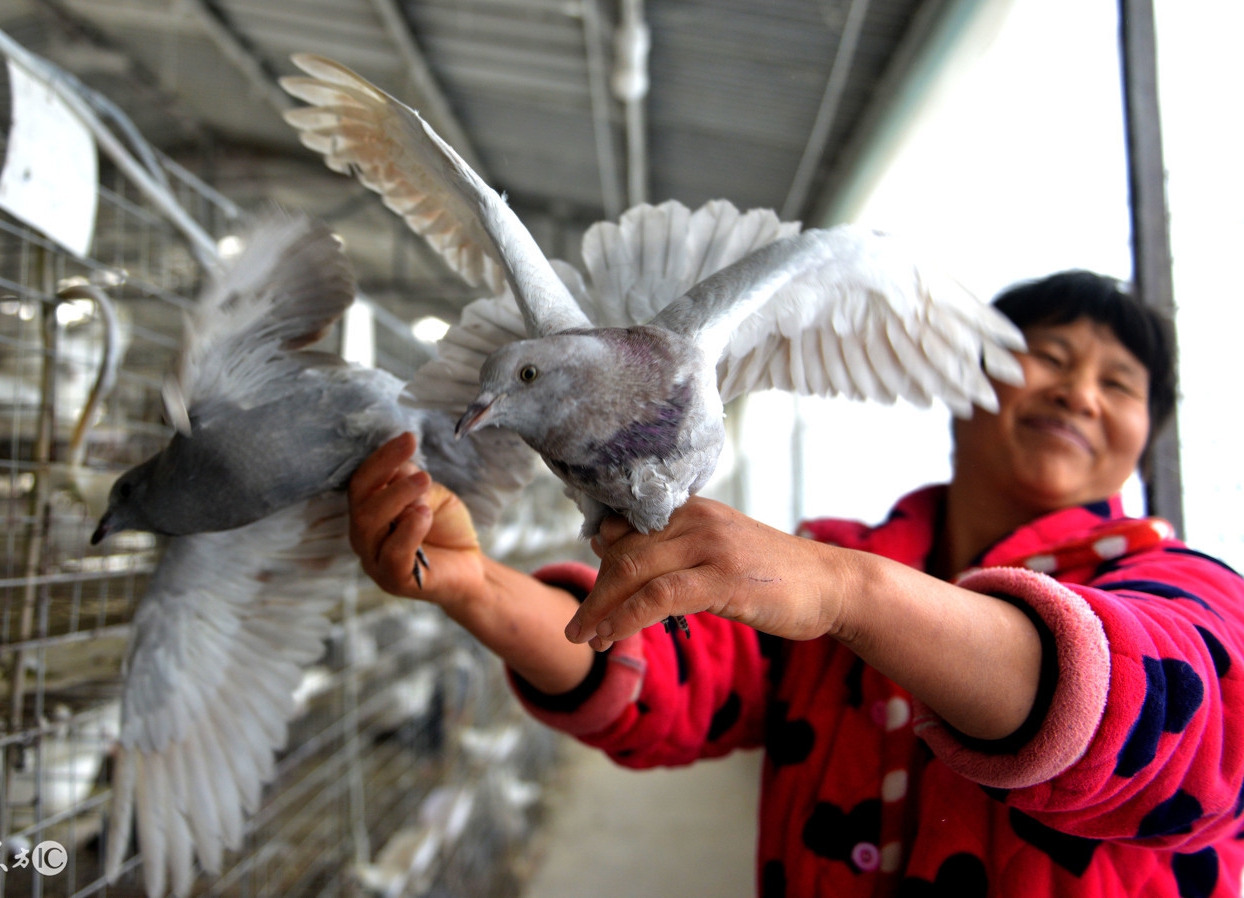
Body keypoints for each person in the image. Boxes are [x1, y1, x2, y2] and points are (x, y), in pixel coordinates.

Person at [348, 269, 1244, 896]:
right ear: (965, 374)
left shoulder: (1183, 590)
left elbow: (1187, 728)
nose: (1080, 392)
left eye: (1119, 384)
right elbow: (674, 670)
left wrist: (856, 594)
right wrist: (475, 587)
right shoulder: (824, 558)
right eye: (1047, 358)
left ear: (1146, 432)